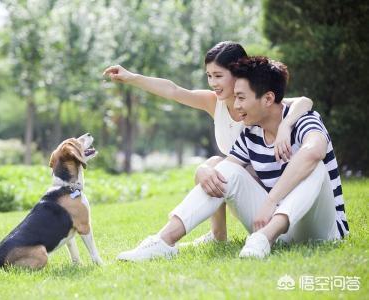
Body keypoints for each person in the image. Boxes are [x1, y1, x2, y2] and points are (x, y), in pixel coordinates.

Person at [115, 56, 348, 261]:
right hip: (280, 229)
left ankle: (263, 238)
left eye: (241, 98)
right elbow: (228, 170)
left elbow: (314, 151)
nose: (236, 106)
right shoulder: (250, 132)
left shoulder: (304, 120)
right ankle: (163, 241)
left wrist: (270, 202)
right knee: (223, 172)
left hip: (321, 229)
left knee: (313, 165)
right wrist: (205, 170)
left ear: (267, 99)